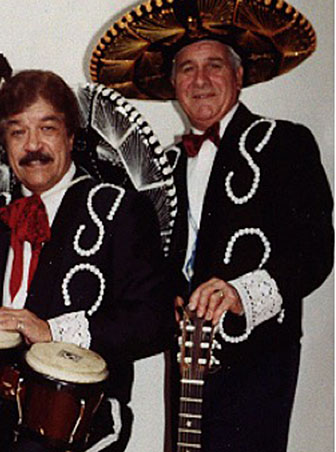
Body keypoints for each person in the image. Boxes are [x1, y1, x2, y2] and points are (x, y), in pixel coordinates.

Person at [89, 1, 333, 451]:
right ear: (173, 84)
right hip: (186, 363)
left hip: (262, 360)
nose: (200, 81)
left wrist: (241, 292)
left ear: (239, 76)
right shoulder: (162, 167)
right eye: (187, 69)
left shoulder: (286, 142)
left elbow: (315, 250)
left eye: (214, 66)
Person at [0, 70, 175, 452]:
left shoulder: (121, 209)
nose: (33, 146)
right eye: (18, 131)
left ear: (71, 137)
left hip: (80, 419)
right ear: (5, 143)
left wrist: (52, 331)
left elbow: (155, 321)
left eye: (47, 128)